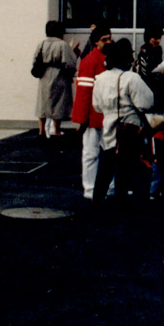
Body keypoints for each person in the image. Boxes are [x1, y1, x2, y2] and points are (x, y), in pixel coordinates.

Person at [92, 38, 154, 207]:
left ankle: (96, 204)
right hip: (128, 132)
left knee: (104, 171)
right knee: (125, 171)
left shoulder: (100, 78)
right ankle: (122, 206)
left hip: (108, 132)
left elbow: (97, 106)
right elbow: (146, 103)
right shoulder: (131, 78)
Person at [71, 24, 112, 198]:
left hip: (108, 117)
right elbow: (83, 93)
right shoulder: (89, 61)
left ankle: (109, 187)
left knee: (110, 153)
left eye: (110, 38)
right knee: (91, 153)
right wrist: (82, 119)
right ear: (95, 42)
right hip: (94, 118)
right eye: (105, 39)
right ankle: (89, 188)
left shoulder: (108, 58)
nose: (109, 42)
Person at [32, 20, 78, 140]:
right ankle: (56, 130)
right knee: (58, 103)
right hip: (59, 75)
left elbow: (35, 60)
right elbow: (70, 63)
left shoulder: (41, 43)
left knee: (43, 103)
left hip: (44, 75)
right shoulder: (62, 45)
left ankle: (41, 130)